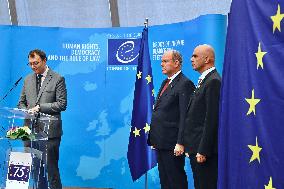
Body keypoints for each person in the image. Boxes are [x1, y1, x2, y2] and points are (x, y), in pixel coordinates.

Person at [18, 49, 67, 189]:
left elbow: (62, 104)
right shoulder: (27, 79)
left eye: (36, 63)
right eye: (30, 64)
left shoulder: (58, 79)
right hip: (29, 132)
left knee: (51, 171)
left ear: (44, 60)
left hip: (49, 134)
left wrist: (40, 107)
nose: (33, 66)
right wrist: (26, 110)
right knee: (35, 170)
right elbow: (21, 102)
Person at [148, 50, 195, 189]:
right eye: (161, 61)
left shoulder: (185, 84)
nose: (161, 64)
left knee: (175, 180)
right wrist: (154, 138)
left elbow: (184, 116)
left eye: (165, 61)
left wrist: (181, 142)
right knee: (165, 180)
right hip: (161, 141)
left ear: (176, 63)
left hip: (173, 143)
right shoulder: (165, 82)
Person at [184, 44, 221, 189]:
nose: (191, 59)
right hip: (195, 147)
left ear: (207, 59)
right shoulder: (204, 80)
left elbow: (211, 118)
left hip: (204, 151)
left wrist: (203, 149)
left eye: (195, 56)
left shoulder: (213, 81)